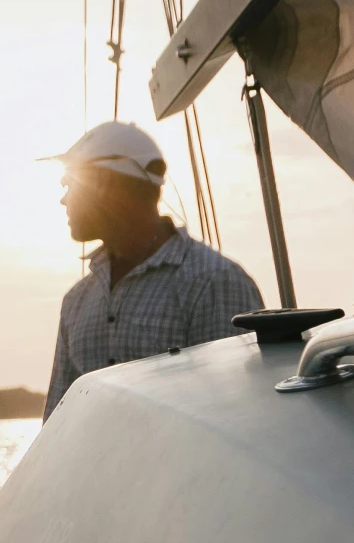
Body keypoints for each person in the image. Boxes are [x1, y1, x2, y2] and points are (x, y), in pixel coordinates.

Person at [44, 121, 263, 418]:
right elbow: (58, 423)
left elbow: (240, 415)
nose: (63, 199)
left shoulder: (214, 282)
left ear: (107, 184)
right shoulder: (77, 301)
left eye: (71, 183)